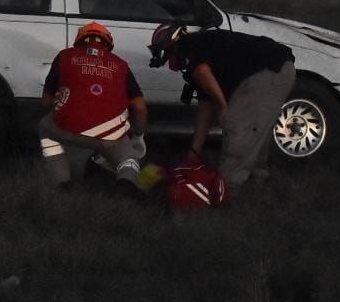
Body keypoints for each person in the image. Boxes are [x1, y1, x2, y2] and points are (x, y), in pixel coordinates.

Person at [148, 23, 295, 189]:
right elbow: (205, 106)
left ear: (170, 43)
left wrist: (224, 108)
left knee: (238, 130)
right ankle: (257, 183)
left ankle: (227, 189)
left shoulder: (187, 45)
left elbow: (202, 71)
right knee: (256, 130)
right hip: (280, 68)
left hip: (267, 70)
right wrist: (194, 154)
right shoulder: (202, 47)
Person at [39, 21, 149, 191]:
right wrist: (138, 135)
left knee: (45, 129)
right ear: (108, 43)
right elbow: (140, 108)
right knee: (128, 158)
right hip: (111, 135)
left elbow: (46, 101)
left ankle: (61, 181)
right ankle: (127, 182)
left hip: (69, 129)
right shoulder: (121, 65)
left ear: (79, 40)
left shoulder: (65, 56)